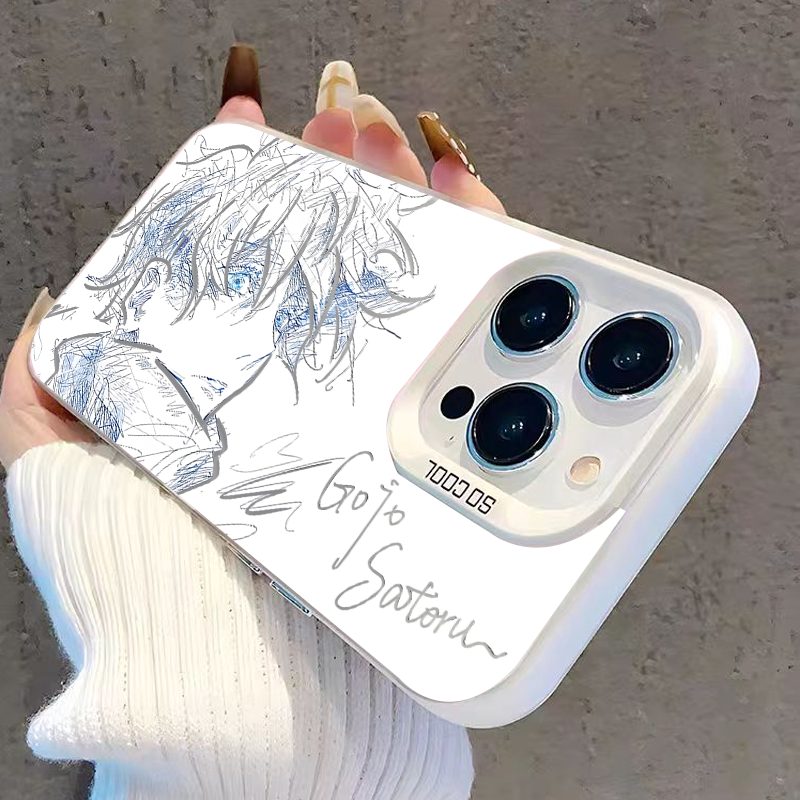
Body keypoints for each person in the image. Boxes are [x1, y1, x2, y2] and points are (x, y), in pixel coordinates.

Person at [0, 46, 505, 800]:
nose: (257, 335)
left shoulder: (251, 444)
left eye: (294, 311)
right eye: (235, 279)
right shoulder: (125, 383)